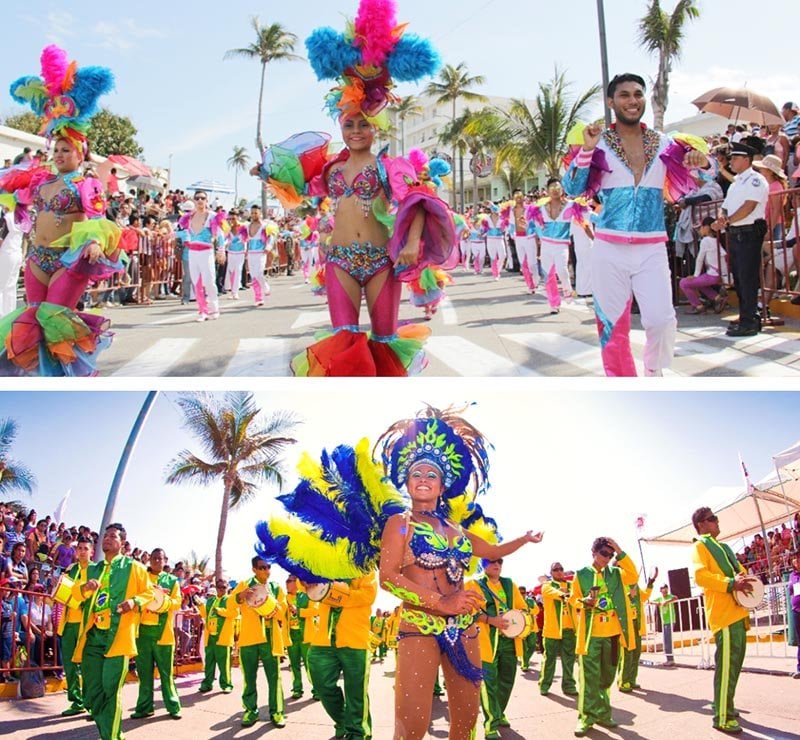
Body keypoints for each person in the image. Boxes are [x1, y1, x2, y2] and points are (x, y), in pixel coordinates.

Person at [253, 0, 454, 376]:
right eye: (349, 125)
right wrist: (268, 174)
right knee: (343, 338)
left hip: (381, 261)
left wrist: (410, 243)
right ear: (341, 128)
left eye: (362, 125)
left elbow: (419, 202)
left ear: (374, 128)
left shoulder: (390, 167)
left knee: (383, 341)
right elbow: (299, 188)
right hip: (340, 259)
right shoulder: (331, 168)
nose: (356, 131)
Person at [377, 406, 544, 740]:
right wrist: (442, 602)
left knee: (466, 723)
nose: (423, 479)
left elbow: (493, 552)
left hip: (464, 630)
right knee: (411, 728)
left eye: (431, 475)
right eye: (416, 474)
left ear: (442, 486)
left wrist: (524, 539)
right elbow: (388, 577)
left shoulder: (458, 530)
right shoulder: (399, 524)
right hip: (419, 627)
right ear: (407, 483)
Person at [562, 73, 710, 376]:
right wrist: (587, 150)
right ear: (611, 101)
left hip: (652, 247)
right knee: (613, 327)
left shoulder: (667, 144)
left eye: (638, 94)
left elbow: (702, 182)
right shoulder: (597, 141)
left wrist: (703, 163)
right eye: (625, 95)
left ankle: (654, 375)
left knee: (661, 320)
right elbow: (573, 189)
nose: (632, 101)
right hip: (608, 248)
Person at [1, 46, 123, 375]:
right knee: (35, 321)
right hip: (36, 257)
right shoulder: (39, 180)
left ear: (80, 152)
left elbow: (97, 219)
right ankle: (41, 376)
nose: (59, 154)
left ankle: (69, 377)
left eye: (66, 149)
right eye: (56, 149)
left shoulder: (87, 184)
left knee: (55, 320)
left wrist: (95, 243)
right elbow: (12, 192)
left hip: (65, 261)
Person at [71, 523, 153, 740]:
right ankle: (112, 732)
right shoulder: (93, 568)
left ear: (123, 544)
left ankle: (111, 736)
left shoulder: (134, 567)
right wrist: (84, 588)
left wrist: (134, 602)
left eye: (112, 536)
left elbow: (150, 593)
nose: (107, 539)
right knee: (92, 693)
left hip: (117, 637)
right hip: (93, 637)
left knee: (110, 690)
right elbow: (76, 596)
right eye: (105, 536)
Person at [691, 507, 753, 734]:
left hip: (738, 613)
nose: (717, 522)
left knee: (735, 666)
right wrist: (730, 583)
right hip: (723, 616)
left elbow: (741, 571)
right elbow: (700, 576)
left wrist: (743, 577)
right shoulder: (699, 545)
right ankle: (722, 717)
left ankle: (725, 704)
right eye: (711, 519)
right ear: (701, 525)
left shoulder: (725, 547)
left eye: (715, 518)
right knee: (726, 667)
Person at [569, 537, 638, 737]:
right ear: (594, 553)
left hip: (613, 634)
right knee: (589, 678)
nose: (608, 558)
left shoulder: (616, 573)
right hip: (591, 634)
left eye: (611, 555)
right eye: (604, 554)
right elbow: (573, 599)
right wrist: (584, 601)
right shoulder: (581, 574)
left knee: (607, 677)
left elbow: (633, 576)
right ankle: (586, 717)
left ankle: (603, 713)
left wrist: (619, 549)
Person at [306, 571, 377, 739]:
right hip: (323, 639)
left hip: (354, 639)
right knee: (321, 684)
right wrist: (306, 581)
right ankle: (344, 721)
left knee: (356, 693)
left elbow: (368, 595)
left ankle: (359, 734)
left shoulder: (365, 567)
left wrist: (337, 595)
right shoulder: (325, 565)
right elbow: (312, 587)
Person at [466, 557, 529, 739]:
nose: (497, 565)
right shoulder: (474, 584)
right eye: (491, 561)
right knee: (489, 684)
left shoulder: (510, 585)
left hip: (509, 640)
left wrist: (522, 617)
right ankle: (490, 723)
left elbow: (523, 607)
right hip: (486, 641)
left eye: (499, 561)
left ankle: (499, 711)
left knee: (507, 680)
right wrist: (490, 619)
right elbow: (468, 611)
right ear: (483, 565)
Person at [713, 142, 769, 337]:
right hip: (736, 233)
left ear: (747, 159)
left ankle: (750, 320)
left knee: (747, 277)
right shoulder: (737, 183)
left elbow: (749, 206)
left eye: (735, 158)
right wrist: (721, 217)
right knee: (739, 277)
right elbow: (726, 206)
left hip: (749, 232)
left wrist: (727, 220)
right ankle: (746, 317)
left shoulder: (755, 180)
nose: (732, 161)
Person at [230, 557, 287, 728]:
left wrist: (273, 607)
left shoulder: (276, 587)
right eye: (262, 567)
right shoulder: (244, 585)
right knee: (249, 678)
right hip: (249, 638)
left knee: (274, 677)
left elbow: (283, 610)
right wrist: (240, 596)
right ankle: (250, 710)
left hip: (270, 638)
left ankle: (276, 712)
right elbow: (230, 604)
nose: (266, 571)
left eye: (268, 567)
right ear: (254, 569)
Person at [131, 547, 182, 720]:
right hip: (143, 633)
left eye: (160, 559)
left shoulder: (172, 580)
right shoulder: (142, 577)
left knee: (166, 674)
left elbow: (177, 603)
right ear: (149, 560)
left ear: (166, 560)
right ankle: (145, 707)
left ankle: (173, 706)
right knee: (144, 674)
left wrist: (163, 597)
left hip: (164, 635)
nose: (157, 561)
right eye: (154, 558)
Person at [57, 534, 93, 716]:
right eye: (79, 548)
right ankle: (76, 701)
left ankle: (90, 701)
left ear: (92, 552)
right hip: (69, 623)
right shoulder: (71, 569)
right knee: (70, 666)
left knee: (87, 665)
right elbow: (64, 593)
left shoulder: (96, 570)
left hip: (86, 624)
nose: (82, 551)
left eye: (86, 548)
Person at [176, 191, 226, 321]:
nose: (200, 200)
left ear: (206, 200)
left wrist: (221, 251)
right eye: (197, 198)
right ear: (194, 200)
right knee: (196, 282)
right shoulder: (189, 217)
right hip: (193, 253)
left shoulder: (213, 216)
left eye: (202, 198)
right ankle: (202, 311)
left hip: (206, 252)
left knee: (209, 281)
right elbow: (182, 233)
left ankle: (214, 308)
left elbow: (220, 235)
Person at [540, 561, 578, 697]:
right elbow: (551, 592)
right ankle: (544, 685)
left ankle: (569, 686)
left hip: (569, 629)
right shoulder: (547, 585)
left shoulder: (571, 585)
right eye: (555, 569)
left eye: (561, 569)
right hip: (553, 630)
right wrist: (562, 594)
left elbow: (577, 597)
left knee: (569, 661)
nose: (559, 571)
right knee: (549, 659)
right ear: (551, 573)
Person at [679, 216, 728, 314]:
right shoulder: (715, 240)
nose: (699, 230)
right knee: (700, 283)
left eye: (701, 227)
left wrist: (695, 275)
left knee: (683, 283)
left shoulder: (705, 241)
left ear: (707, 228)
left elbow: (699, 259)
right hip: (718, 274)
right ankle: (717, 298)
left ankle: (698, 306)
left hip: (712, 275)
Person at [617, 571, 655, 692]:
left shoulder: (635, 585)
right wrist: (629, 596)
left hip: (636, 624)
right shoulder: (618, 585)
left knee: (636, 653)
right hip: (625, 625)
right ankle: (623, 681)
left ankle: (632, 679)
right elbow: (616, 603)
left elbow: (643, 597)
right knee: (627, 654)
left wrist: (650, 583)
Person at [198, 577, 236, 693]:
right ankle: (207, 684)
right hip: (210, 637)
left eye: (224, 587)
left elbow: (234, 613)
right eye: (219, 587)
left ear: (227, 587)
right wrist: (200, 606)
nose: (221, 590)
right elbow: (205, 615)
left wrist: (220, 611)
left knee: (224, 664)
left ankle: (226, 684)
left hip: (223, 637)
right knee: (209, 663)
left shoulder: (230, 600)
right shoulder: (210, 600)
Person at [0, 201, 27, 319]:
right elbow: (25, 239)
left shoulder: (7, 218)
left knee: (1, 286)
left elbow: (1, 238)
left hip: (6, 253)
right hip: (17, 254)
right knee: (11, 287)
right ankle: (9, 315)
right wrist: (23, 255)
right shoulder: (22, 218)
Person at [284, 574, 309, 698]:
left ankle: (316, 690)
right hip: (291, 635)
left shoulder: (306, 595)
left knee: (309, 664)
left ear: (297, 582)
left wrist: (298, 611)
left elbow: (316, 610)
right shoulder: (283, 598)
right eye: (286, 581)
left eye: (289, 581)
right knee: (294, 665)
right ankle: (297, 688)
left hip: (304, 634)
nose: (287, 583)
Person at [650, 582, 678, 666]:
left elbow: (676, 598)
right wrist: (657, 603)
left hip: (670, 620)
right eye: (663, 588)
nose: (665, 590)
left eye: (666, 588)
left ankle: (670, 659)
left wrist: (667, 602)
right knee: (666, 640)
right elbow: (651, 601)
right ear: (660, 590)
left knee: (667, 640)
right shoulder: (659, 598)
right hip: (664, 621)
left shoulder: (669, 596)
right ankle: (669, 658)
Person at [224, 210, 247, 300]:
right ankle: (231, 291)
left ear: (237, 217)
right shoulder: (228, 228)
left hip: (240, 253)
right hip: (231, 252)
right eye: (230, 219)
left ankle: (235, 291)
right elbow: (225, 239)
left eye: (233, 218)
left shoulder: (243, 227)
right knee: (230, 271)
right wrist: (226, 243)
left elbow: (245, 239)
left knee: (238, 271)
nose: (232, 220)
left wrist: (245, 249)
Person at [789, 554, 800, 679]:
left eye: (798, 559)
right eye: (795, 560)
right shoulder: (792, 576)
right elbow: (791, 592)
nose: (796, 562)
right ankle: (799, 668)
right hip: (796, 611)